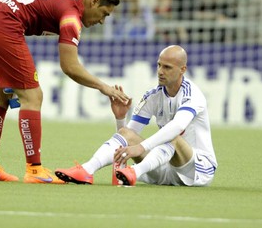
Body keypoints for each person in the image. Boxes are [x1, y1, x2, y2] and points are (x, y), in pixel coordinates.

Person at [0, 0, 130, 184]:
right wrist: (104, 87)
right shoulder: (72, 14)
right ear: (94, 1)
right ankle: (34, 170)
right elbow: (70, 66)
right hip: (1, 26)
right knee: (33, 97)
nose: (102, 21)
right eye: (104, 14)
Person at [55, 45, 217, 186]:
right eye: (159, 65)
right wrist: (120, 118)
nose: (160, 71)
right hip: (163, 166)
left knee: (172, 135)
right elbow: (127, 138)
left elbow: (177, 126)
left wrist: (141, 148)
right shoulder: (153, 96)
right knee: (127, 133)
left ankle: (134, 172)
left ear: (183, 69)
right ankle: (86, 170)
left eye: (167, 67)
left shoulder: (192, 94)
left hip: (196, 170)